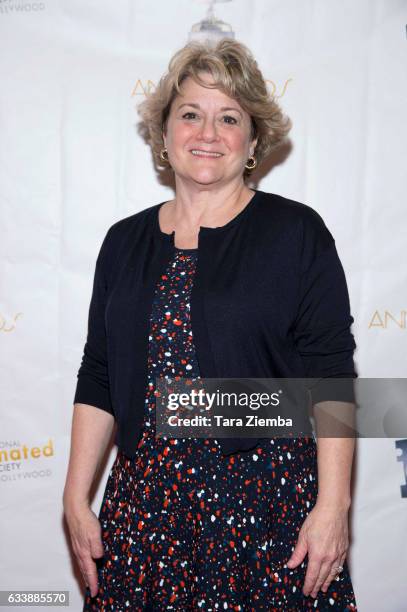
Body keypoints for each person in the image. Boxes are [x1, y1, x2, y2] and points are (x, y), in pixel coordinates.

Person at [63, 38, 358, 611]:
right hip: (145, 510)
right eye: (190, 114)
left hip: (267, 507)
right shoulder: (122, 243)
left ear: (251, 141)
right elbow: (98, 372)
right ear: (165, 133)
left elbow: (331, 377)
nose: (208, 132)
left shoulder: (296, 233)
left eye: (229, 118)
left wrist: (333, 506)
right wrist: (76, 497)